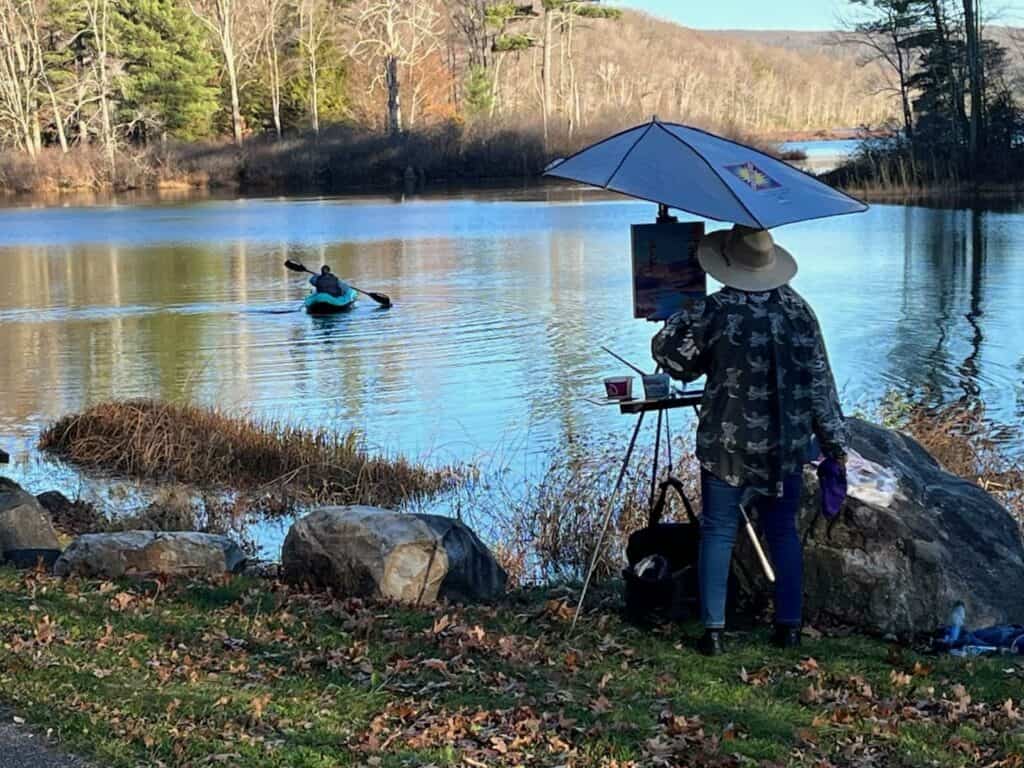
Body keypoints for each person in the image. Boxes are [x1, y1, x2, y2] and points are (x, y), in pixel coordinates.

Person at [652, 224, 847, 656]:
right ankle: (789, 627)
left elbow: (672, 358)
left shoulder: (715, 311)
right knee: (783, 532)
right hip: (787, 443)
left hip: (728, 442)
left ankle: (714, 632)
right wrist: (835, 442)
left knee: (719, 531)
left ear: (728, 265)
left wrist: (679, 313)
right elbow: (820, 384)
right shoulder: (800, 311)